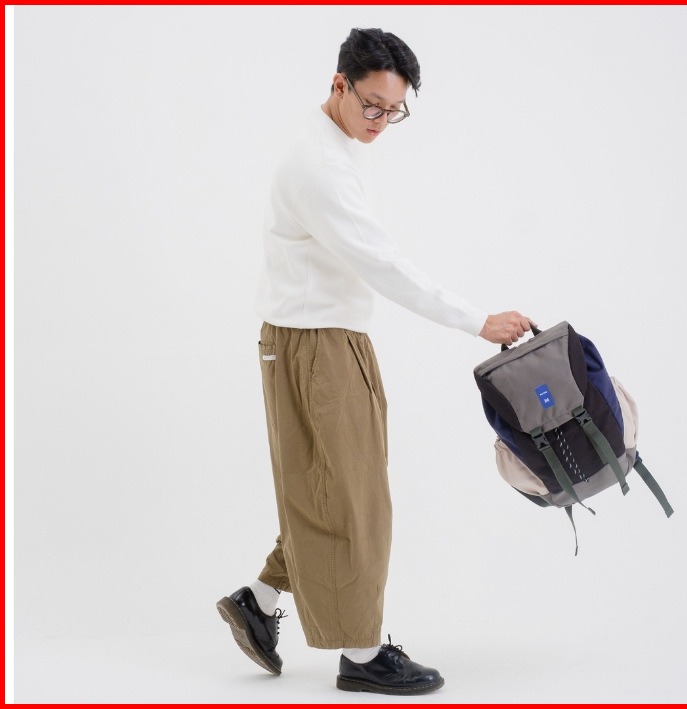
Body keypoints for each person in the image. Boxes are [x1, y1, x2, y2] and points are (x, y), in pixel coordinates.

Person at [216, 27, 537, 696]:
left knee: (326, 491)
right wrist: (476, 319)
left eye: (394, 111)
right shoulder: (319, 166)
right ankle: (361, 655)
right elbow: (383, 265)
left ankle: (260, 600)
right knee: (356, 503)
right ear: (339, 83)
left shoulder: (327, 143)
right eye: (372, 105)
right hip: (318, 345)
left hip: (309, 339)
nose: (381, 122)